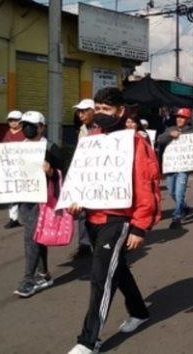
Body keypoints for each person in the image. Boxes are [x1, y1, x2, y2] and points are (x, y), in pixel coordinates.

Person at [67, 87, 158, 354]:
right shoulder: (92, 139)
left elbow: (146, 185)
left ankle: (88, 340)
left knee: (100, 278)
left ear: (120, 112)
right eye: (98, 108)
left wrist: (140, 226)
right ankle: (140, 312)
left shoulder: (135, 143)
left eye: (107, 109)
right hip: (93, 216)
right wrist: (74, 200)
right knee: (117, 270)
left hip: (118, 219)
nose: (101, 113)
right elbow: (80, 175)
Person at [0, 111, 63, 297]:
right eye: (24, 124)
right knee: (36, 236)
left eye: (31, 125)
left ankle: (28, 280)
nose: (27, 128)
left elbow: (62, 175)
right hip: (24, 201)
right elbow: (3, 169)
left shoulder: (50, 148)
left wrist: (50, 173)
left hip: (42, 202)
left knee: (30, 237)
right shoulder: (17, 148)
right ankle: (44, 274)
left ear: (41, 127)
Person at [156, 108, 193, 229]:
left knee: (179, 193)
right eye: (178, 116)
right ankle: (185, 207)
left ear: (187, 119)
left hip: (183, 168)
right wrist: (169, 134)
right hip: (171, 167)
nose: (179, 119)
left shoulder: (191, 131)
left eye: (182, 117)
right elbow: (159, 140)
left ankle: (176, 217)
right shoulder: (170, 129)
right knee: (172, 192)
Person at [72, 99, 98, 258]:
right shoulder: (82, 130)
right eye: (79, 112)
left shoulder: (104, 128)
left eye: (84, 111)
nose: (80, 115)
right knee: (83, 212)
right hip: (84, 176)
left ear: (94, 111)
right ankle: (84, 244)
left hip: (102, 176)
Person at [1, 110, 25, 229]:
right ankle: (13, 218)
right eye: (10, 120)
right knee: (12, 194)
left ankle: (24, 217)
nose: (13, 122)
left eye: (15, 120)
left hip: (23, 167)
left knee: (23, 194)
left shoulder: (25, 133)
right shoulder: (7, 133)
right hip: (10, 168)